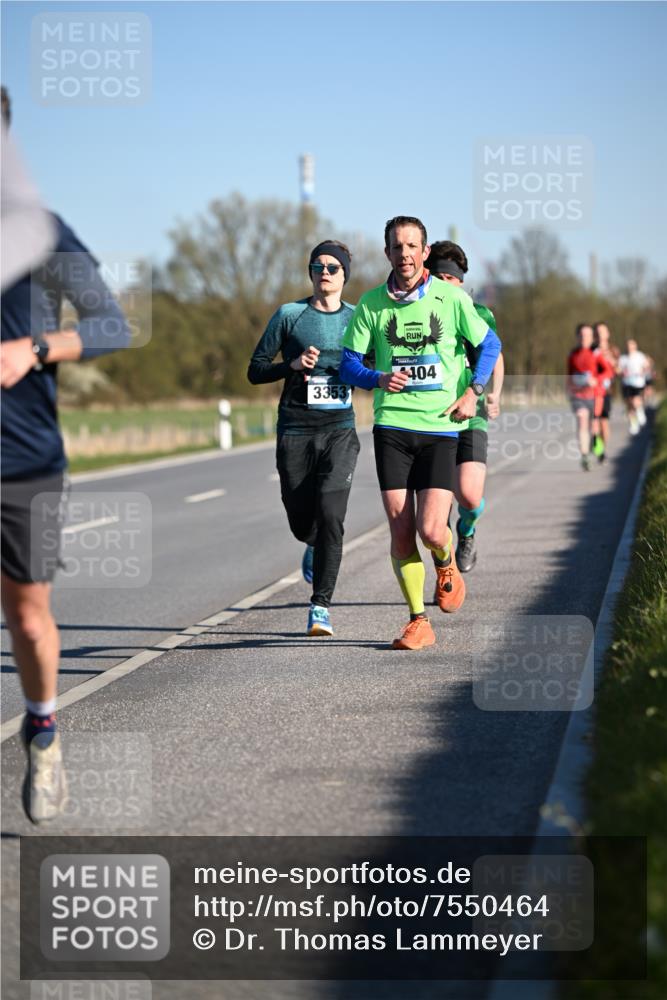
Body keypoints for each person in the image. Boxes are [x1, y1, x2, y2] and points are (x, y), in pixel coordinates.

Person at [1, 89, 132, 824]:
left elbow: (113, 324)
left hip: (23, 456)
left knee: (26, 616)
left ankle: (43, 729)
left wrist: (35, 348)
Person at [340, 216, 501, 650]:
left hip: (440, 426)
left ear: (425, 251)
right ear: (387, 252)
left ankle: (445, 562)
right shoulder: (372, 304)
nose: (405, 254)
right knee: (400, 530)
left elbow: (490, 345)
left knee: (432, 530)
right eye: (397, 247)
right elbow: (348, 363)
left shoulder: (450, 298)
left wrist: (474, 391)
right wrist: (376, 378)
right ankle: (417, 620)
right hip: (392, 425)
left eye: (413, 246)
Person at [248, 241, 359, 638]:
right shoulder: (290, 315)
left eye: (333, 267)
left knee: (332, 515)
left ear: (345, 274)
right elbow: (255, 370)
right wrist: (291, 366)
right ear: (310, 272)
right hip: (295, 429)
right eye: (318, 266)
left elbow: (376, 362)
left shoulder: (358, 318)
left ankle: (320, 606)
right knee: (302, 522)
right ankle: (312, 543)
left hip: (340, 430)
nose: (325, 272)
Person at [424, 240, 504, 572]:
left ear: (461, 282)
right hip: (433, 413)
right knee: (433, 512)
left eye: (452, 280)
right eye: (439, 278)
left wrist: (494, 394)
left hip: (472, 411)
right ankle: (445, 573)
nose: (446, 286)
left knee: (469, 496)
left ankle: (467, 529)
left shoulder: (479, 312)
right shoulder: (420, 310)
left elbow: (495, 354)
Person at [567, 324, 598, 470]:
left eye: (587, 335)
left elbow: (607, 371)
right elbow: (569, 374)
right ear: (577, 337)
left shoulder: (596, 354)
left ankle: (593, 443)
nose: (584, 338)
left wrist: (596, 380)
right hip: (578, 395)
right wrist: (569, 389)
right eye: (582, 335)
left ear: (592, 338)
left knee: (593, 427)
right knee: (582, 418)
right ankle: (584, 456)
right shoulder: (573, 355)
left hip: (594, 395)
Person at [591, 321, 619, 463]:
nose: (600, 334)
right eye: (597, 331)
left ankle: (601, 448)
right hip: (590, 391)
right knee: (592, 423)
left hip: (606, 391)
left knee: (604, 424)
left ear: (608, 333)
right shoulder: (591, 349)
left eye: (603, 331)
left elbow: (619, 371)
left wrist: (612, 362)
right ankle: (597, 446)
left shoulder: (613, 350)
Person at [618, 339, 650, 435]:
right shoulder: (623, 358)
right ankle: (633, 424)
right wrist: (622, 372)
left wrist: (642, 370)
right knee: (629, 405)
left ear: (635, 346)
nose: (630, 347)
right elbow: (618, 369)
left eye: (631, 345)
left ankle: (639, 411)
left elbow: (647, 366)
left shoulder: (640, 356)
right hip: (626, 383)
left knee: (635, 401)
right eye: (628, 345)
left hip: (638, 382)